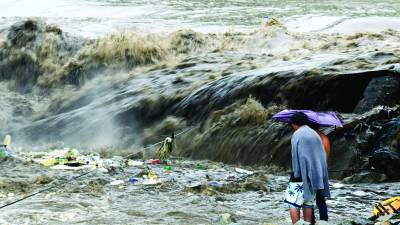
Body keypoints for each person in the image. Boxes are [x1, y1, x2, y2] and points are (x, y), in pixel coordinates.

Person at [284, 112, 330, 224]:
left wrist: (296, 173)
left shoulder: (297, 134)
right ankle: (308, 223)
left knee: (292, 202)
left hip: (300, 175)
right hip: (315, 176)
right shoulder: (315, 134)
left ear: (295, 124)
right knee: (308, 203)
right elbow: (322, 156)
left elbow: (295, 155)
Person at [309, 123, 330, 223]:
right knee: (321, 199)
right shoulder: (325, 138)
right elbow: (326, 156)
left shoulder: (312, 138)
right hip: (323, 171)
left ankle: (311, 221)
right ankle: (324, 221)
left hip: (313, 171)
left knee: (310, 199)